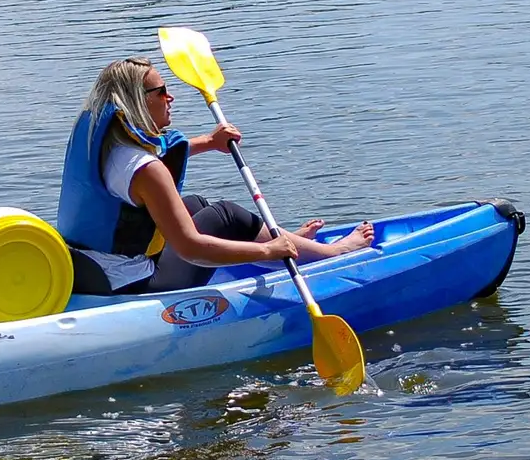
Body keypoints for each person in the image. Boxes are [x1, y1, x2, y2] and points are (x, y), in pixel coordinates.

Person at [56, 56, 374, 297]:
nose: (171, 98)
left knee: (193, 204)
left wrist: (210, 142)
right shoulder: (145, 170)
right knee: (226, 216)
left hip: (90, 270)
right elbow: (192, 248)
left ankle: (292, 242)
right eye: (162, 91)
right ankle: (334, 252)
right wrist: (268, 252)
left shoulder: (104, 144)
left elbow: (160, 151)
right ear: (138, 102)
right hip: (136, 285)